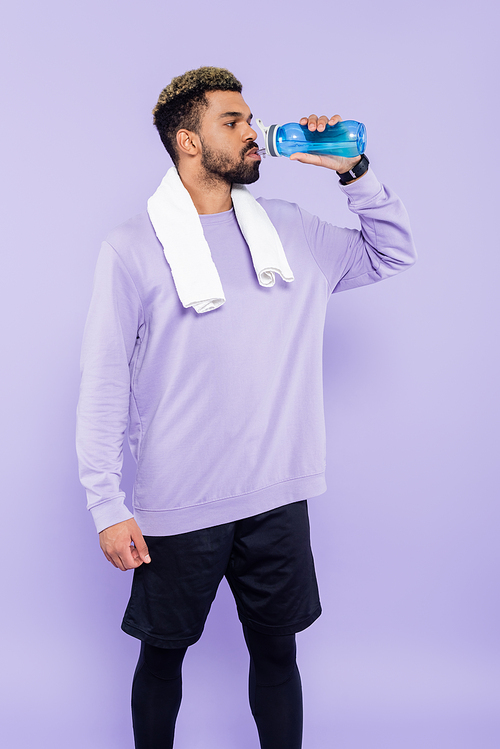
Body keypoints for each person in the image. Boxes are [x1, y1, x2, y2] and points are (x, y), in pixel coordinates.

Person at [76, 66, 416, 749]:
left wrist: (354, 171)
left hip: (277, 493)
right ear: (189, 142)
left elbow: (393, 252)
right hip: (180, 499)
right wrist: (106, 504)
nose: (253, 132)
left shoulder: (292, 229)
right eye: (232, 122)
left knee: (278, 652)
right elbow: (104, 379)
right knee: (163, 654)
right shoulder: (132, 247)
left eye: (251, 118)